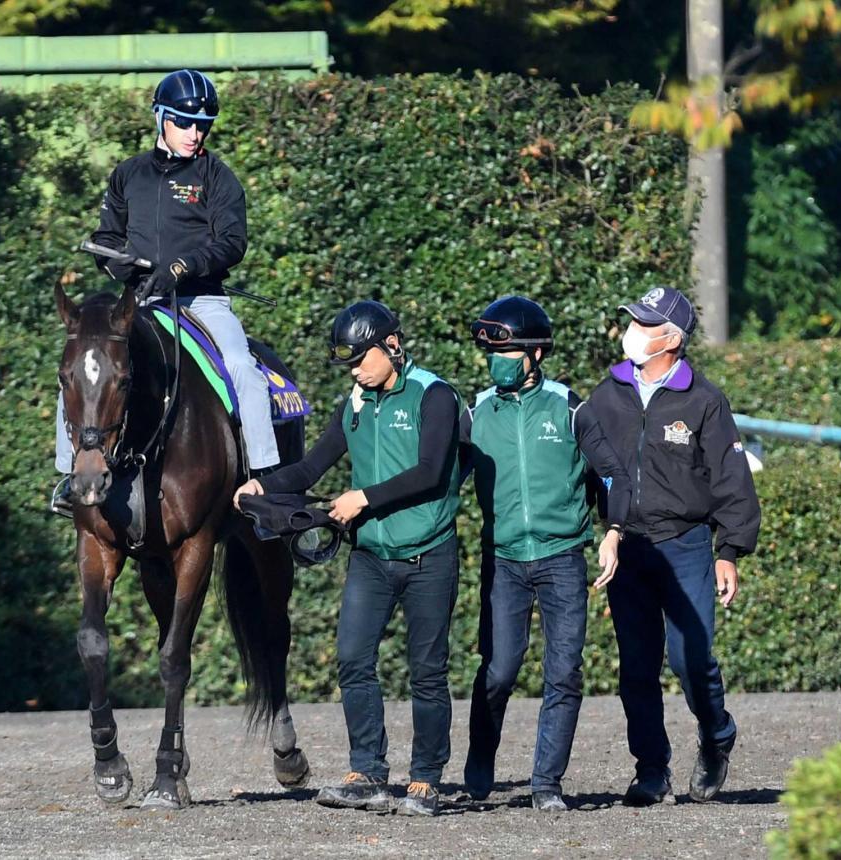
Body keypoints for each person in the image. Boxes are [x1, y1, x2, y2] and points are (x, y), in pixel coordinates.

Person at [233, 300, 461, 817]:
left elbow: (430, 472)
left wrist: (363, 498)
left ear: (392, 346)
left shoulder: (435, 395)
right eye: (349, 362)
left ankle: (425, 778)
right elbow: (311, 468)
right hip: (372, 558)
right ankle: (368, 773)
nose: (355, 369)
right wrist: (261, 484)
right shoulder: (354, 406)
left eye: (361, 358)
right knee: (354, 660)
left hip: (430, 556)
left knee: (427, 672)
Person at [52, 69, 277, 514]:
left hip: (201, 303)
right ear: (160, 117)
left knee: (241, 369)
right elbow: (108, 236)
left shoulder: (217, 176)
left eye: (203, 125)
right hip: (138, 305)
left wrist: (181, 267)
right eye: (184, 123)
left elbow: (232, 242)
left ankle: (265, 480)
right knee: (79, 371)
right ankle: (67, 477)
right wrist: (116, 263)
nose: (195, 133)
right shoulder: (127, 174)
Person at [588, 285, 761, 805]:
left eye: (643, 324)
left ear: (671, 338)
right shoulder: (607, 394)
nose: (632, 332)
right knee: (636, 664)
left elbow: (731, 479)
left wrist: (729, 550)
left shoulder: (704, 400)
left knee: (691, 659)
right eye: (633, 321)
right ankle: (651, 768)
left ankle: (717, 734)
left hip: (685, 546)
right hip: (631, 549)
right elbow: (587, 470)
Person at [461, 296, 631, 811]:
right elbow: (441, 481)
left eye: (509, 351)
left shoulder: (571, 409)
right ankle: (481, 754)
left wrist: (613, 529)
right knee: (499, 670)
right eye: (493, 352)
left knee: (564, 672)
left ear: (535, 354)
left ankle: (546, 783)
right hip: (504, 562)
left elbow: (614, 473)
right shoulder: (476, 413)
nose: (499, 361)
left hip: (561, 559)